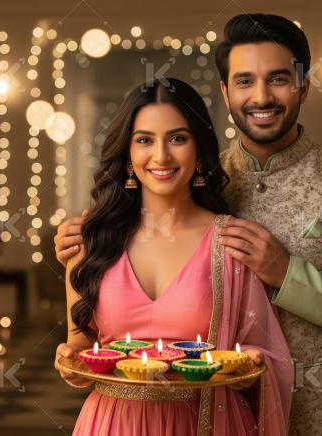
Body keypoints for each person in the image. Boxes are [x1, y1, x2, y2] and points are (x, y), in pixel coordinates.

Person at [54, 13, 322, 436]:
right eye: (244, 81)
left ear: (304, 84)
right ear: (225, 93)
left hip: (321, 417)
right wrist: (89, 235)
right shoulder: (197, 179)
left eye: (278, 78)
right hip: (209, 416)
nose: (261, 96)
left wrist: (287, 275)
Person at [53, 77, 293, 435]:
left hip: (205, 424)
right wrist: (69, 360)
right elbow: (82, 348)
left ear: (199, 151)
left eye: (178, 138)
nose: (161, 156)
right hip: (112, 424)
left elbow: (265, 355)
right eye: (145, 140)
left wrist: (250, 372)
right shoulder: (91, 240)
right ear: (128, 154)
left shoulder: (229, 242)